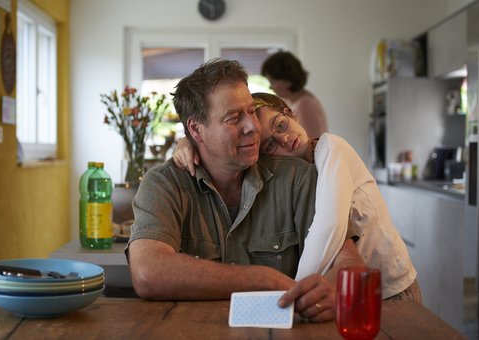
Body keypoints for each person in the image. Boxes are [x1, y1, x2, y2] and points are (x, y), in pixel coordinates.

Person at [126, 59, 365, 322]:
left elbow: (349, 263)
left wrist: (332, 290)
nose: (252, 126)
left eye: (251, 112)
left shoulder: (297, 178)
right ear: (196, 129)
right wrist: (264, 279)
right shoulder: (164, 184)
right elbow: (148, 272)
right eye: (234, 118)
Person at [173, 92, 421, 302]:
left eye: (281, 125)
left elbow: (329, 228)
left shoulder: (332, 149)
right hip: (356, 292)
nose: (284, 139)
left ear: (290, 113)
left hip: (392, 287)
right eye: (270, 144)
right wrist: (189, 143)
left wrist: (291, 293)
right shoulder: (295, 179)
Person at [261, 51, 328, 138]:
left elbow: (315, 141)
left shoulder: (305, 104)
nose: (270, 87)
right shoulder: (290, 100)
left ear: (287, 80)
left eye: (273, 81)